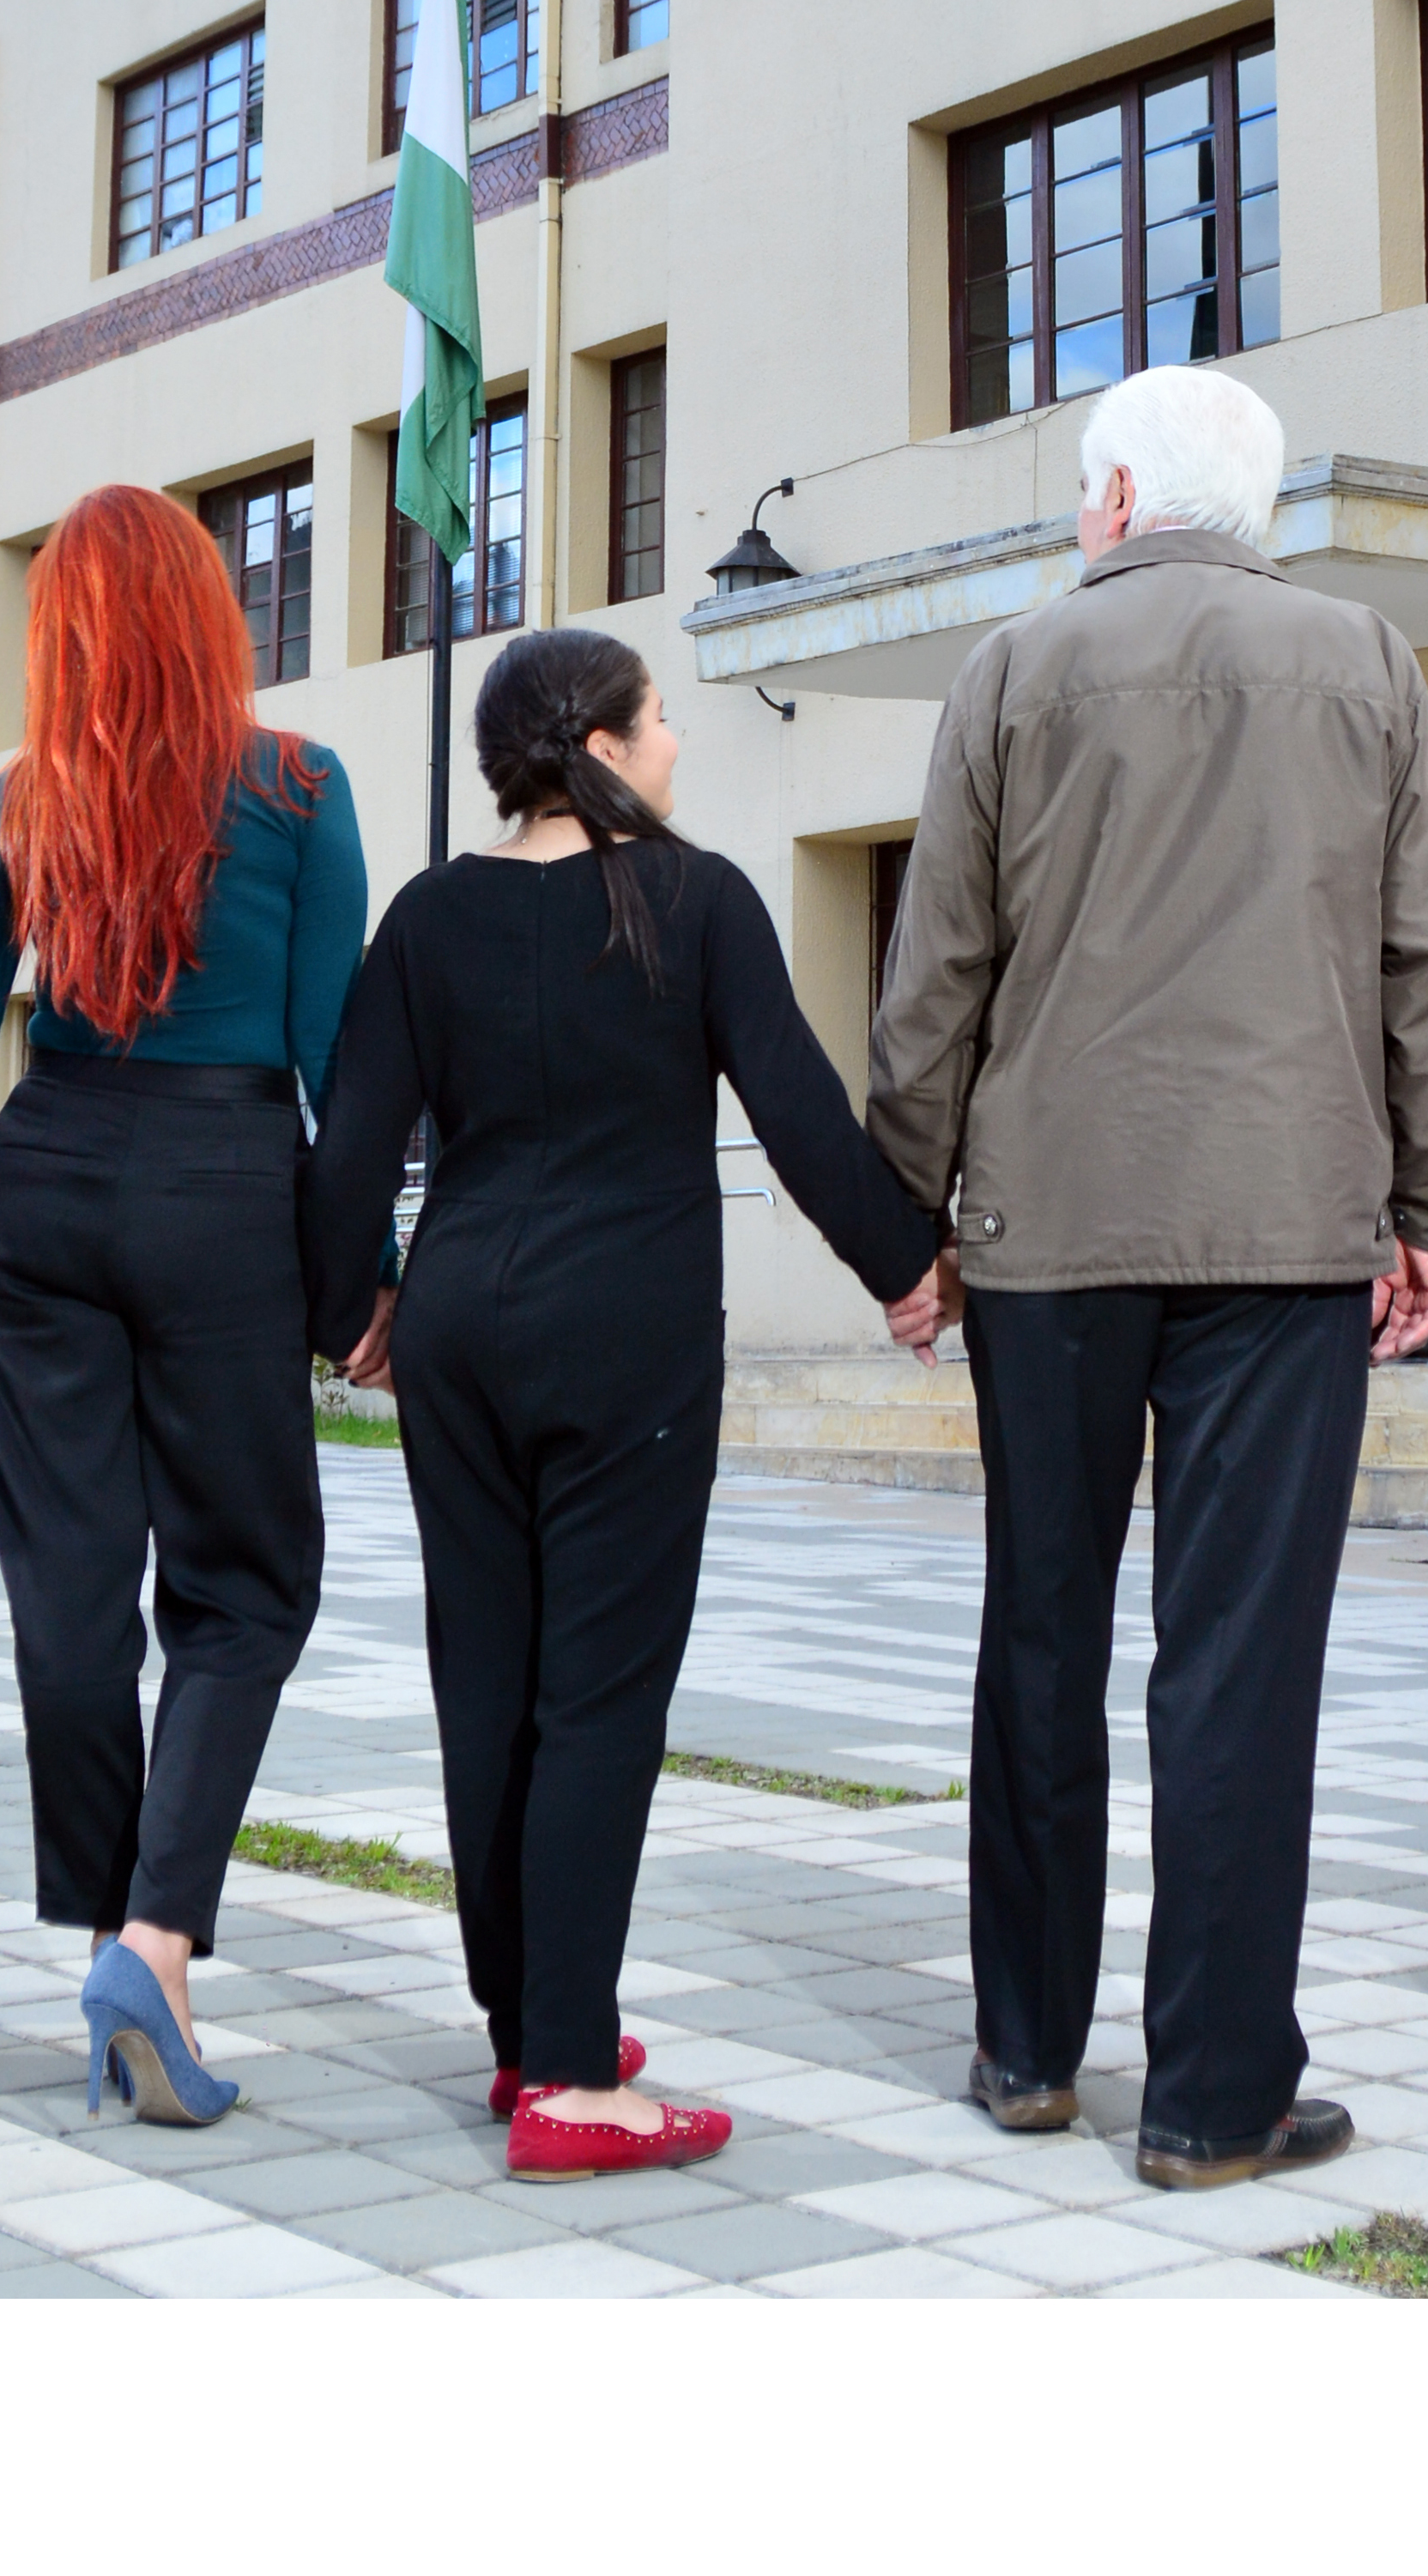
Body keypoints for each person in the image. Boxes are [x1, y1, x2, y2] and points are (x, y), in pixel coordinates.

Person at [868, 364, 1428, 2189]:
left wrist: (912, 1217)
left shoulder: (1009, 673)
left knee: (1040, 1637)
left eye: (1084, 487)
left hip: (1050, 1230)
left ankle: (1026, 2053)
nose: (1081, 515)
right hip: (1288, 1227)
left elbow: (938, 977)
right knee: (1238, 1662)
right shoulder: (1371, 662)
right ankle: (1218, 2098)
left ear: (1125, 498)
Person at [307, 627, 939, 2181]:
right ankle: (576, 2080)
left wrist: (350, 1312)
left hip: (461, 1324)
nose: (674, 748)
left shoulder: (429, 915)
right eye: (656, 723)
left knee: (489, 1676)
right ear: (596, 739)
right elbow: (795, 1102)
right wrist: (903, 1264)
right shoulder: (695, 898)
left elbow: (344, 1147)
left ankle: (529, 2025)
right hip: (630, 1335)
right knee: (597, 1695)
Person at [0, 482, 368, 2129]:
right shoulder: (301, 786)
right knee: (246, 1587)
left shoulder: (21, 801)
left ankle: (116, 1932)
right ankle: (153, 1936)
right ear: (206, 614)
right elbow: (337, 1062)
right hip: (224, 1192)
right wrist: (359, 1281)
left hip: (37, 1188)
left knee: (70, 1589)